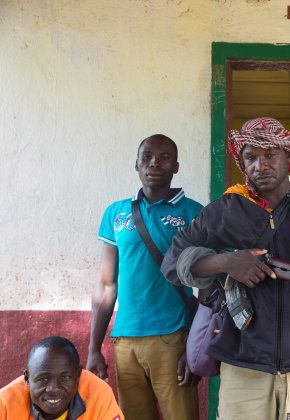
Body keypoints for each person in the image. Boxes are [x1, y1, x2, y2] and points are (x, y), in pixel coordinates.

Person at [161, 117, 290, 420]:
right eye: (251, 157)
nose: (260, 166)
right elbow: (172, 263)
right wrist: (226, 263)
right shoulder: (224, 210)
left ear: (288, 158)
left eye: (270, 156)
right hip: (243, 365)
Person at [86, 134, 202, 419]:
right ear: (136, 164)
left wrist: (195, 345)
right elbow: (105, 284)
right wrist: (93, 348)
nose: (154, 163)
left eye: (164, 157)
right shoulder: (116, 213)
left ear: (176, 166)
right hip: (125, 341)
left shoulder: (193, 213)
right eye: (147, 156)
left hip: (173, 339)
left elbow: (212, 285)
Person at [0, 336, 123, 419]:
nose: (53, 389)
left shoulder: (98, 394)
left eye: (65, 377)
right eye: (43, 379)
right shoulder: (5, 404)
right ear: (26, 378)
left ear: (78, 375)